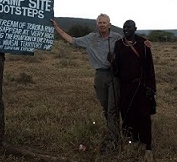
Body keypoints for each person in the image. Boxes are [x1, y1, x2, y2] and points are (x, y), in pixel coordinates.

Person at [51, 14, 123, 153]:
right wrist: (57, 28)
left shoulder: (117, 38)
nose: (102, 25)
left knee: (112, 109)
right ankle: (112, 132)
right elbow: (72, 40)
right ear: (97, 25)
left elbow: (130, 44)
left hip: (114, 75)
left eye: (104, 22)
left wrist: (144, 42)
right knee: (105, 107)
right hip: (100, 75)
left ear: (109, 24)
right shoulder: (90, 38)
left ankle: (114, 139)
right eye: (100, 22)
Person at [112, 20, 156, 162]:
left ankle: (148, 147)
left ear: (135, 29)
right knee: (127, 113)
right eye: (124, 27)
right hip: (125, 86)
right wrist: (112, 62)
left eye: (129, 27)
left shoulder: (143, 43)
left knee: (144, 115)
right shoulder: (118, 44)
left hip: (141, 86)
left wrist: (151, 87)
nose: (126, 29)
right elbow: (117, 71)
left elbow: (150, 67)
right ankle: (131, 140)